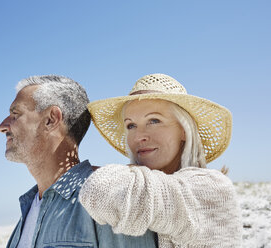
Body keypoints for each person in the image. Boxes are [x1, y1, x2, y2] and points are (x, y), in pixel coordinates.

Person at [79, 73, 243, 247]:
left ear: (184, 130)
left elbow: (101, 191)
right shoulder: (151, 190)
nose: (139, 136)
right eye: (131, 125)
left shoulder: (212, 188)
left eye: (154, 120)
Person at [0, 75, 158, 248]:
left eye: (15, 114)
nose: (2, 126)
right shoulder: (28, 206)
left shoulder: (108, 198)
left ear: (51, 119)